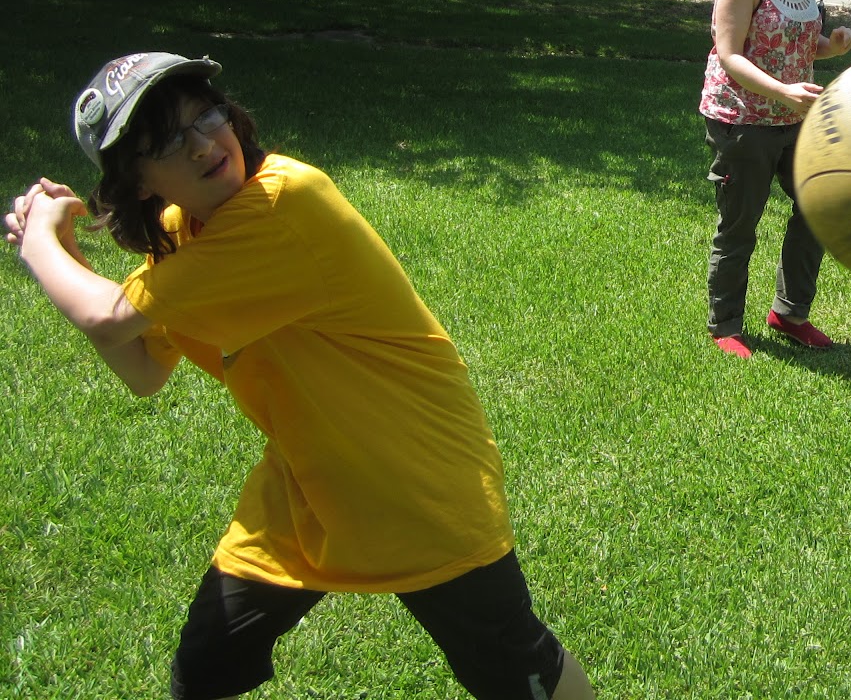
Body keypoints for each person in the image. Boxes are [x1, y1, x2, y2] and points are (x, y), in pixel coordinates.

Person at [5, 52, 594, 700]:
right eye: (169, 140)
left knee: (516, 670)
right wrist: (61, 251)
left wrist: (37, 241)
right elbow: (143, 369)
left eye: (205, 115)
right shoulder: (184, 231)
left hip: (416, 484)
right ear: (138, 180)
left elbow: (109, 317)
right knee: (206, 664)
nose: (203, 142)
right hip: (308, 486)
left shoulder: (282, 204)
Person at [698, 0, 851, 358]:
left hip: (794, 119)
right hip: (742, 119)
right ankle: (725, 324)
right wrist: (784, 92)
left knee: (820, 206)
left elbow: (798, 44)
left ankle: (789, 314)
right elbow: (730, 55)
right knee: (740, 225)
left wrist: (831, 45)